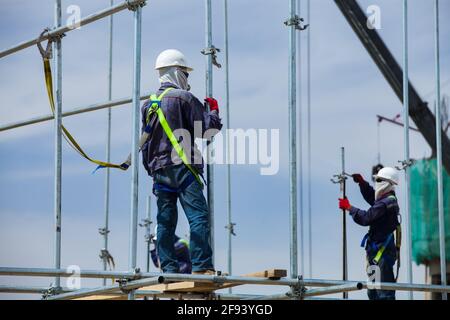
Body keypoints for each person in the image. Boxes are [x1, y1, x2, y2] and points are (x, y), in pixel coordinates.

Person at [141, 49, 222, 275]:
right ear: (177, 72)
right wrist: (213, 111)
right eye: (185, 73)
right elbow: (208, 130)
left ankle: (169, 269)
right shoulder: (184, 98)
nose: (187, 79)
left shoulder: (148, 104)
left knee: (165, 222)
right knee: (198, 217)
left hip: (160, 170)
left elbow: (145, 144)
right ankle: (202, 266)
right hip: (183, 168)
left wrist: (153, 170)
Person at [338, 167, 401, 300]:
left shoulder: (387, 202)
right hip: (376, 252)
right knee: (373, 292)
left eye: (378, 180)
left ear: (387, 183)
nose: (376, 183)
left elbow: (367, 218)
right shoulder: (386, 199)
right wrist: (362, 183)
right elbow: (373, 198)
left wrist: (349, 208)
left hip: (382, 254)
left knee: (384, 293)